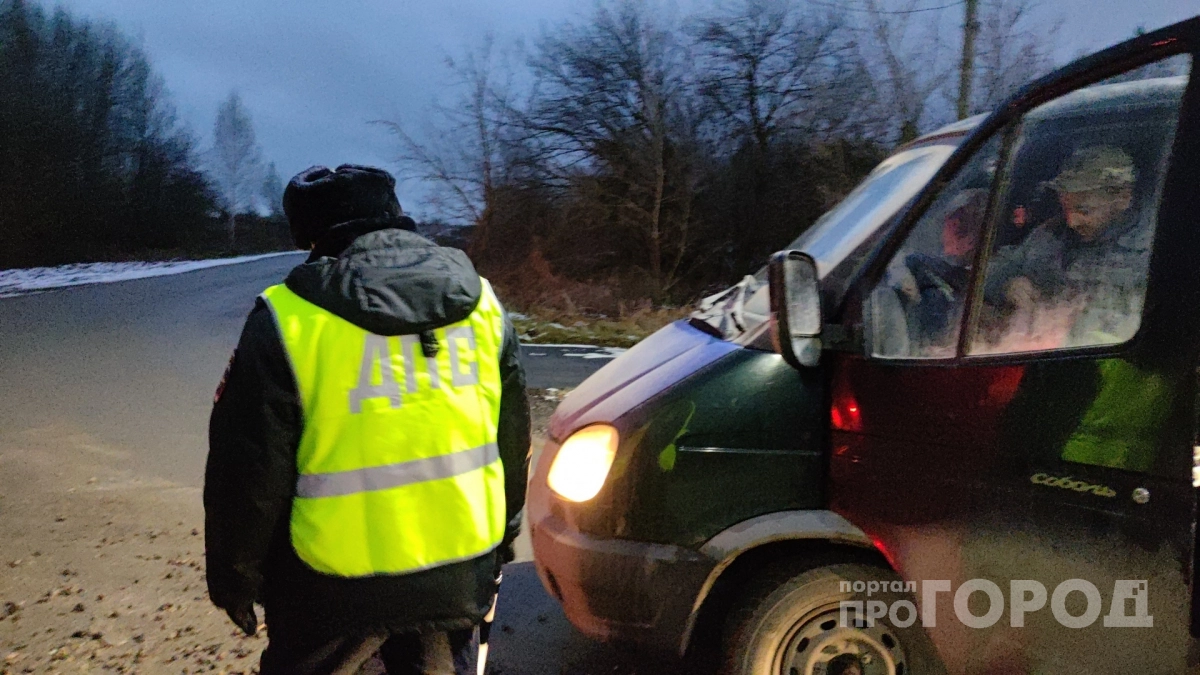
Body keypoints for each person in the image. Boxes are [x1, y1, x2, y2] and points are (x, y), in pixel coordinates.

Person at [203, 165, 531, 675]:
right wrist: (502, 542)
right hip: (457, 575)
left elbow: (246, 472)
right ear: (396, 217)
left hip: (328, 592)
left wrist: (234, 580)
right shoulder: (483, 305)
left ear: (312, 237)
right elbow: (511, 438)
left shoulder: (287, 319)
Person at [981, 144, 1146, 348]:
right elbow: (986, 271)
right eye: (1065, 209)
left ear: (1123, 199)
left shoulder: (1149, 252)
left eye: (1084, 211)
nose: (1071, 222)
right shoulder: (1049, 235)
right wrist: (1007, 284)